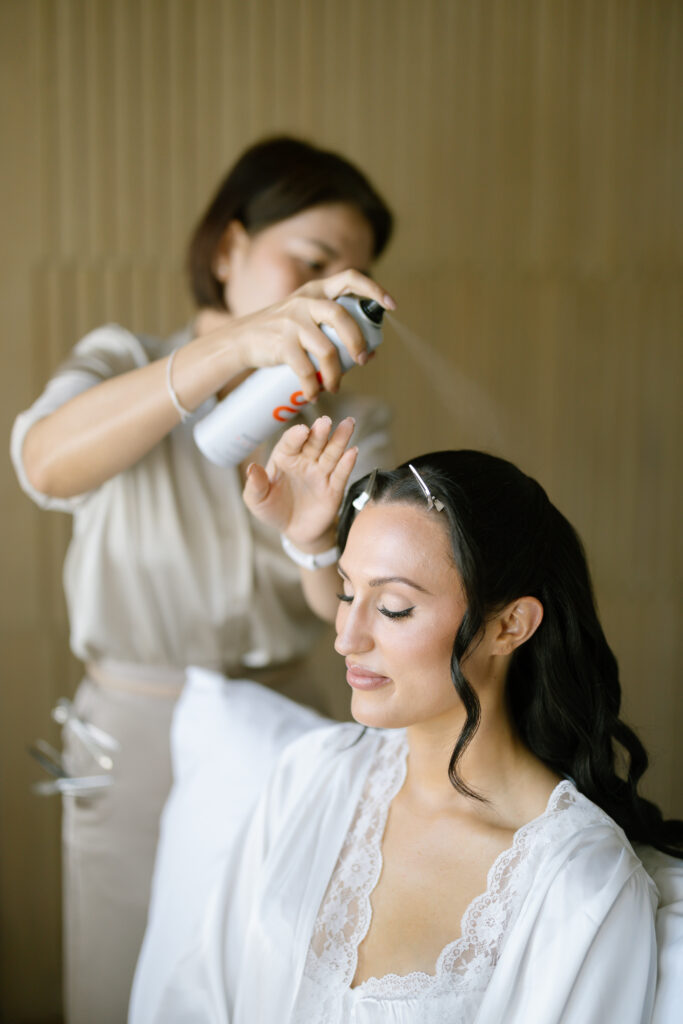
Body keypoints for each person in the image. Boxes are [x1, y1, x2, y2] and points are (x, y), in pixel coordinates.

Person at [10, 136, 396, 1024]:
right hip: (133, 733)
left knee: (259, 984)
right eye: (311, 262)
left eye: (352, 274)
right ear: (226, 251)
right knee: (115, 986)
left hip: (282, 723)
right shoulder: (122, 362)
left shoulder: (349, 423)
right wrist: (229, 356)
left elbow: (347, 612)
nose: (328, 290)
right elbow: (44, 464)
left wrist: (312, 541)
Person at [153, 418, 683, 1023]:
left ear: (510, 626)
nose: (346, 637)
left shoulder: (581, 886)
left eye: (395, 608)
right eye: (348, 593)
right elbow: (199, 997)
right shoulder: (311, 775)